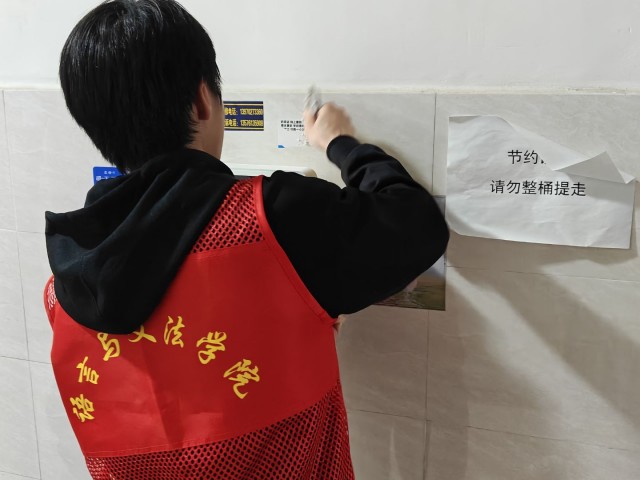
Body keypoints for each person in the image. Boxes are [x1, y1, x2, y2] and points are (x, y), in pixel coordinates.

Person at [43, 0, 449, 478]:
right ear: (202, 100)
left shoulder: (64, 288)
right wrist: (340, 144)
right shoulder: (271, 219)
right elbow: (417, 226)